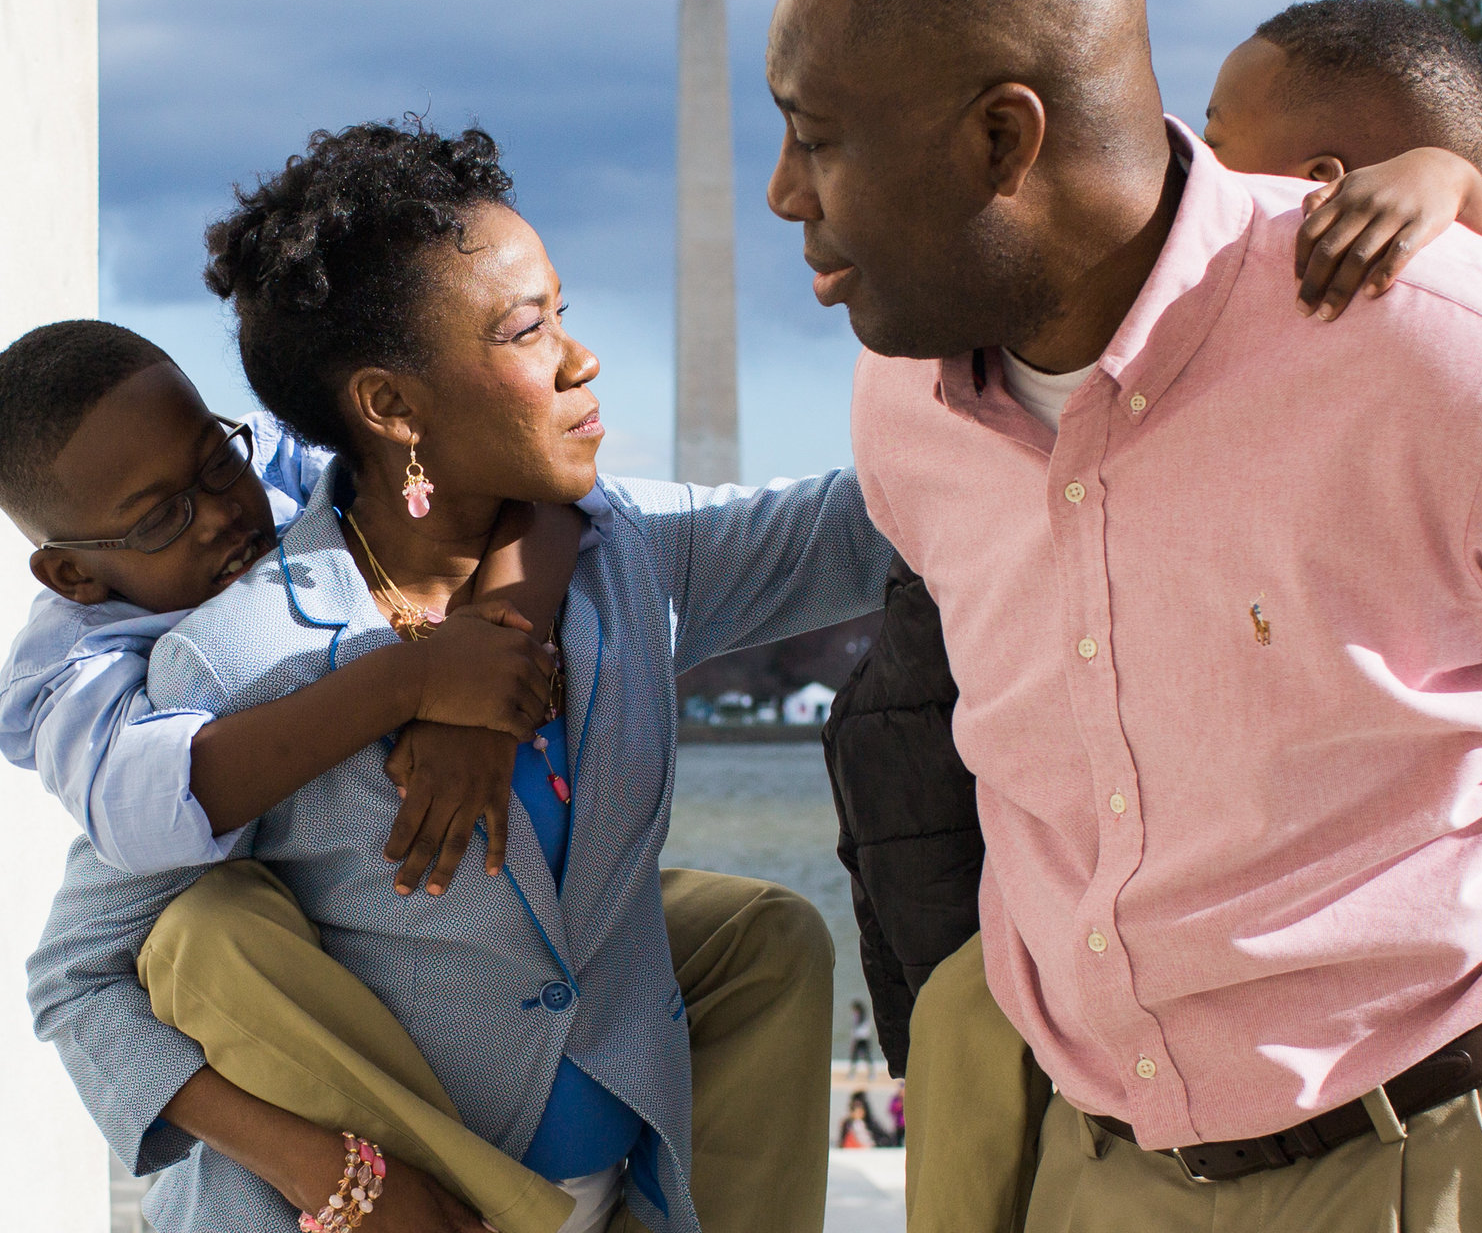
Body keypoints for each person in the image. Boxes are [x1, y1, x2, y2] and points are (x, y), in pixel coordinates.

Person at [769, 0, 1482, 1233]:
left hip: (1453, 1168)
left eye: (819, 133)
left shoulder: (1450, 347)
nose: (789, 192)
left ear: (1001, 140)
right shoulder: (898, 409)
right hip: (1094, 1176)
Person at [27, 122, 893, 1233]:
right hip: (355, 1216)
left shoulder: (628, 555)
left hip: (618, 1198)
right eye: (528, 330)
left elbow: (871, 522)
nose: (580, 359)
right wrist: (325, 1173)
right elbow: (79, 977)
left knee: (772, 930)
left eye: (562, 312)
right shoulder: (238, 658)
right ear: (391, 407)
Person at [0, 320, 583, 888]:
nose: (219, 515)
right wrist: (418, 679)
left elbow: (539, 488)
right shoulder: (69, 659)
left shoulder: (278, 462)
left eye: (219, 465)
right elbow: (143, 812)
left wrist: (486, 696)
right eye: (160, 519)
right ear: (71, 573)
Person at [846, 1000, 875, 1078]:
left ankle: (871, 1074)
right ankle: (852, 1073)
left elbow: (860, 1030)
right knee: (855, 1057)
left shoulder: (863, 1018)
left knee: (867, 1056)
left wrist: (853, 1039)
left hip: (863, 1039)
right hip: (860, 1039)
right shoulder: (858, 1017)